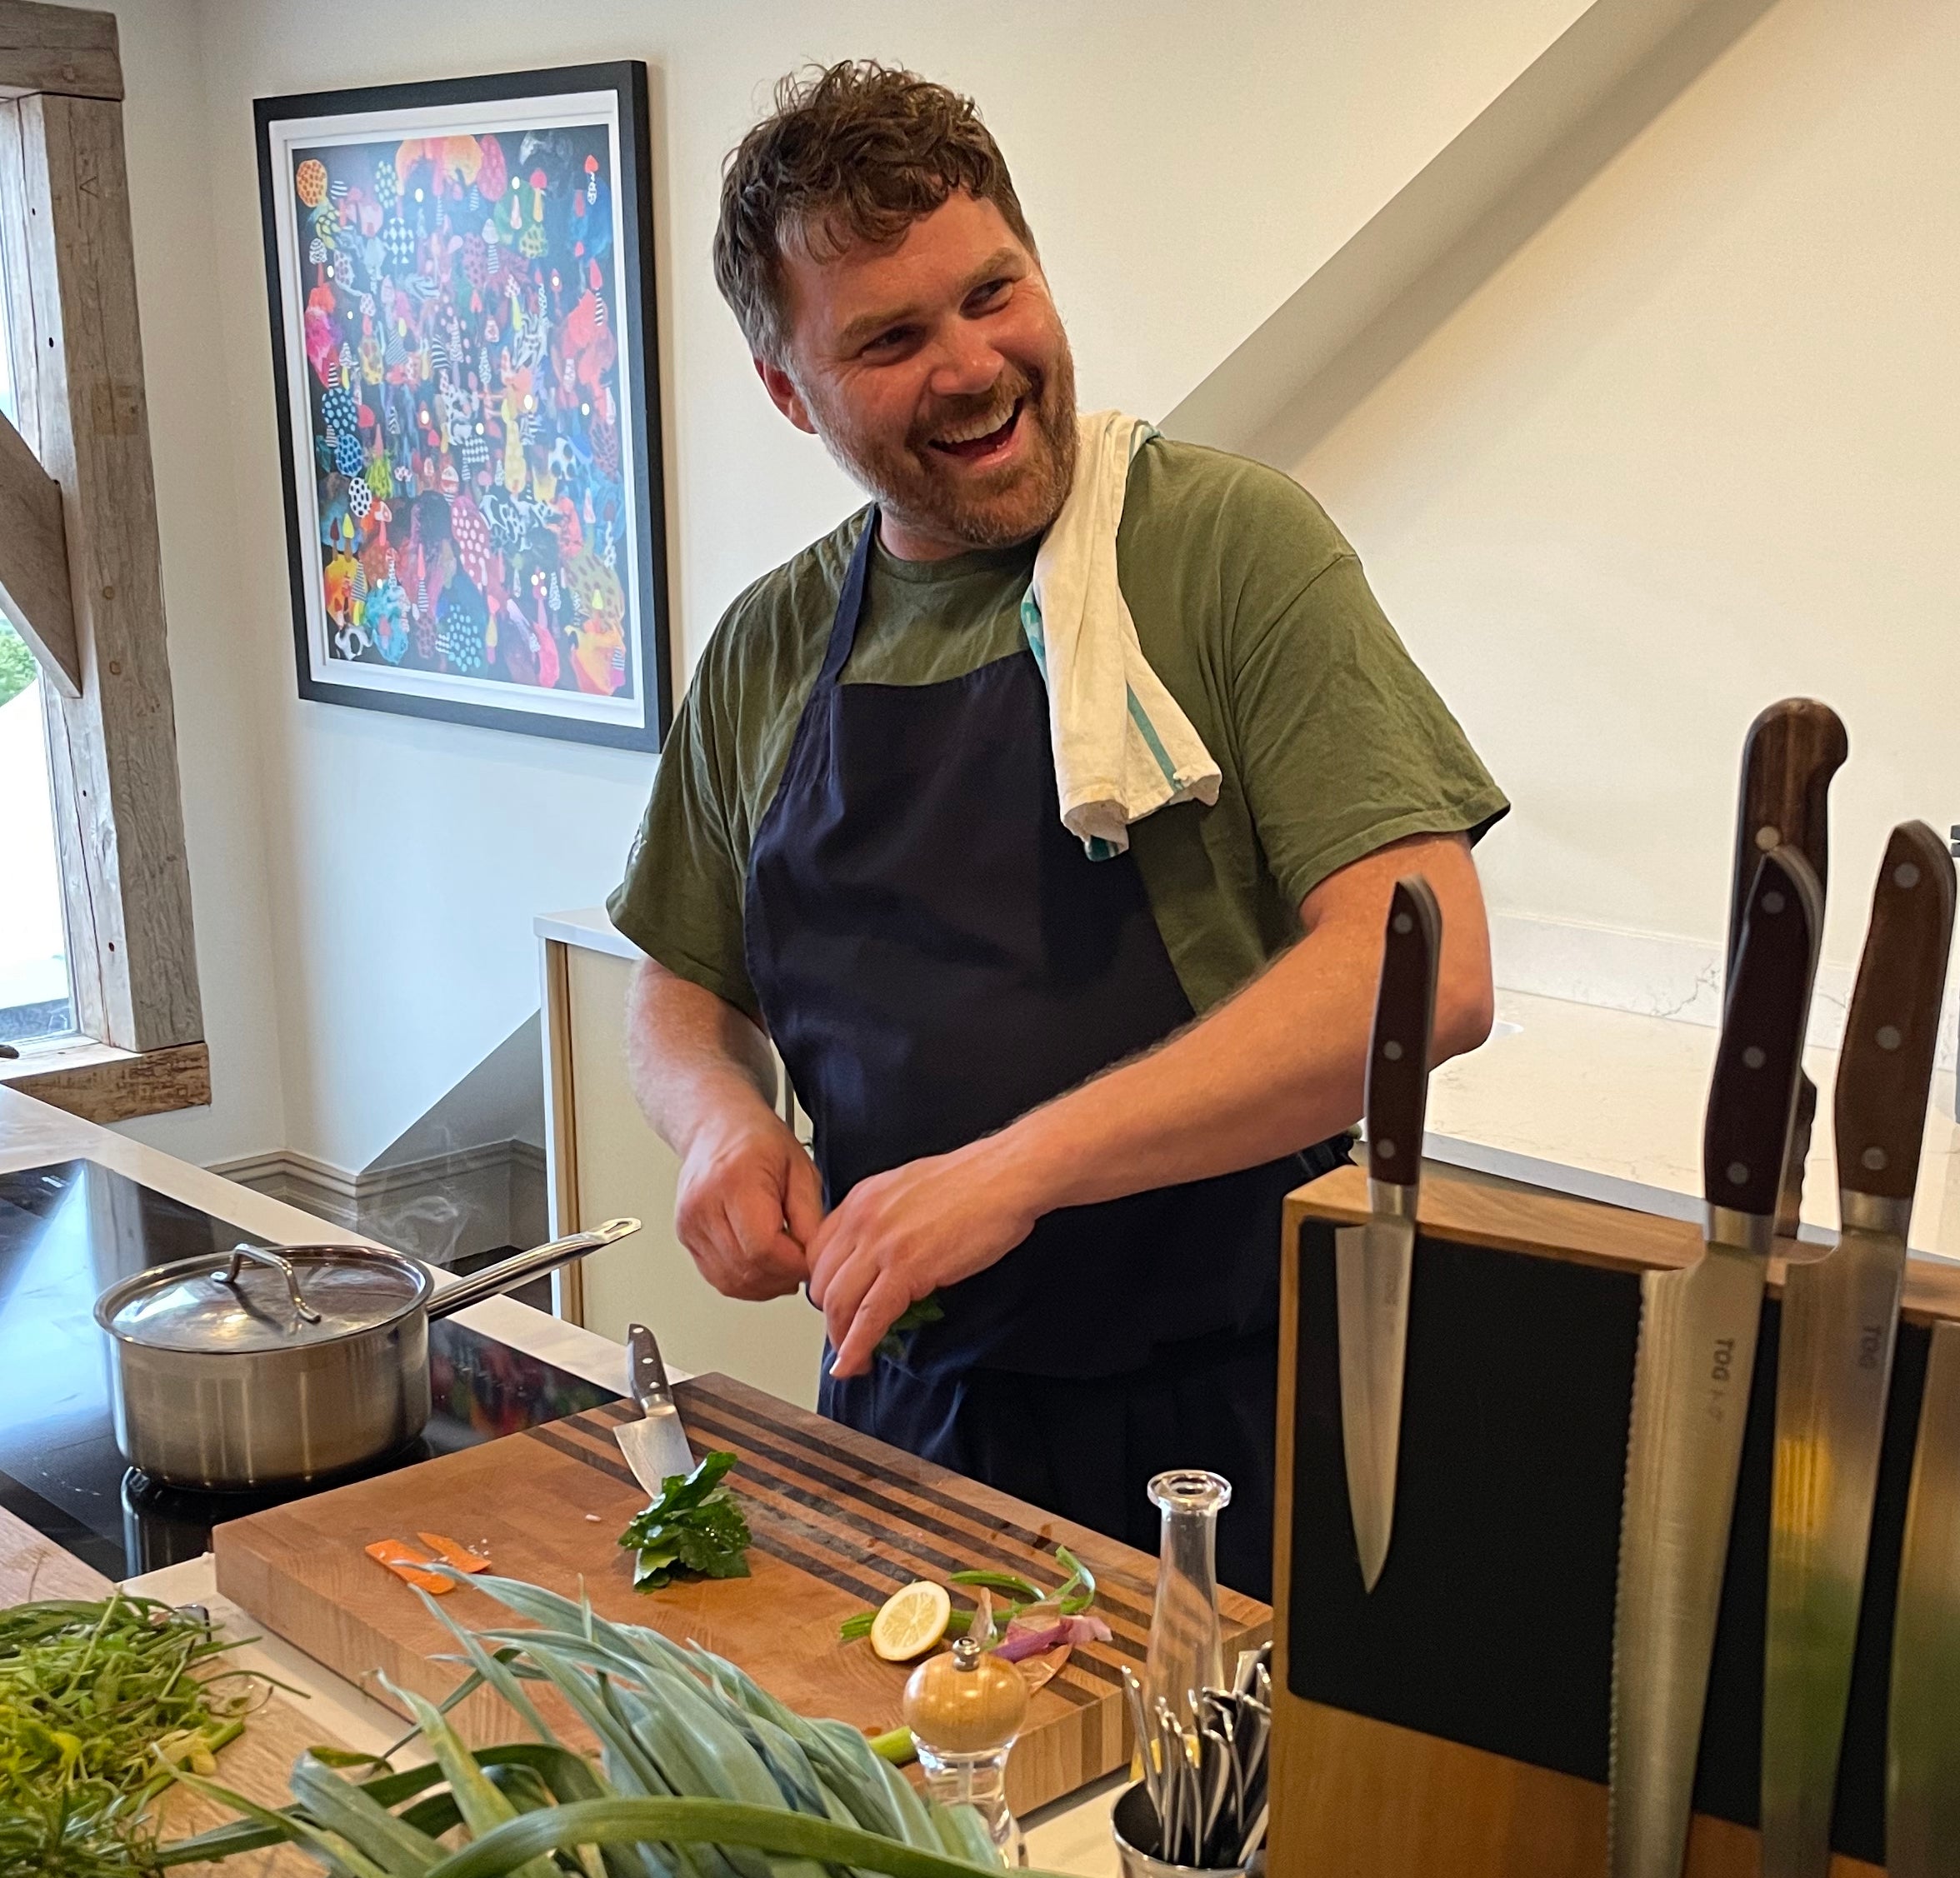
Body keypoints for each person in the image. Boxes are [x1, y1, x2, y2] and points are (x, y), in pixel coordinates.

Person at [609, 62, 1503, 1598]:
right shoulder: (769, 644)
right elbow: (680, 985)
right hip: (905, 1418)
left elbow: (1425, 970)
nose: (970, 367)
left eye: (991, 294)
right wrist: (719, 1120)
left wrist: (1018, 1167)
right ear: (787, 389)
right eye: (890, 339)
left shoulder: (1221, 548)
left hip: (1230, 1427)